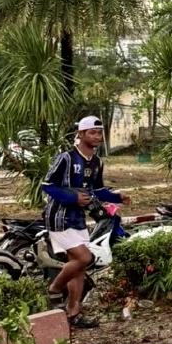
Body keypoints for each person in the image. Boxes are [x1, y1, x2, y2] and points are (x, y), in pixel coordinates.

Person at [42, 116, 129, 328]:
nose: (97, 137)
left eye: (99, 133)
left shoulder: (97, 162)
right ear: (81, 134)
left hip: (78, 218)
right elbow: (47, 184)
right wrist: (72, 197)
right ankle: (54, 289)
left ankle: (73, 312)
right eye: (92, 132)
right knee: (84, 258)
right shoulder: (66, 158)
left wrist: (118, 197)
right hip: (59, 216)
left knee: (79, 268)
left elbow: (97, 189)